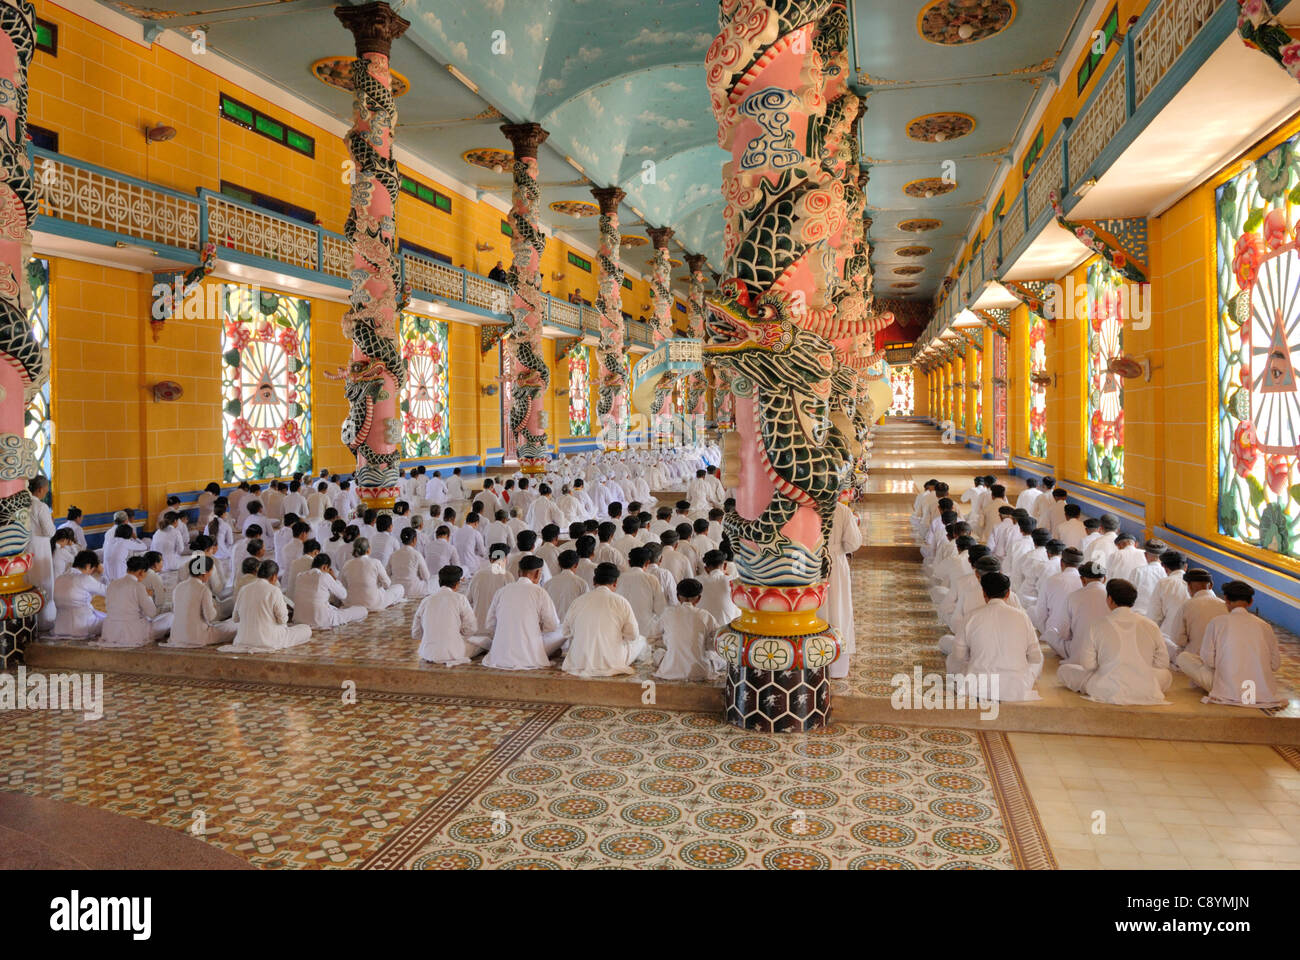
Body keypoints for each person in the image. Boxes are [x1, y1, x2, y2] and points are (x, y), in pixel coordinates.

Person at [1057, 579, 1171, 705]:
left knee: (1064, 670)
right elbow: (1162, 663)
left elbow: (1088, 665)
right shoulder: (1151, 625)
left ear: (1109, 599)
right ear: (1133, 601)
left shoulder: (1097, 625)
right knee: (1166, 675)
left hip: (1106, 687)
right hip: (1146, 687)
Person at [1184, 581, 1285, 707]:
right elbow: (1275, 665)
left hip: (1227, 692)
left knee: (1184, 658)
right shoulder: (1265, 626)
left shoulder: (1217, 622)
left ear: (1226, 599)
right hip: (1261, 693)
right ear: (1250, 602)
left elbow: (1208, 660)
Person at [946, 572, 1042, 701]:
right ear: (1008, 594)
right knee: (1038, 662)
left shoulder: (971, 617)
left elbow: (958, 656)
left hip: (977, 686)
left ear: (984, 594)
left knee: (951, 660)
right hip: (1016, 687)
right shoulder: (1022, 617)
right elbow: (1036, 657)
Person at [560, 562, 648, 677]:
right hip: (612, 661)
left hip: (579, 661)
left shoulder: (578, 601)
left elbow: (565, 632)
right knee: (641, 640)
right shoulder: (621, 601)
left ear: (594, 581)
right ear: (615, 583)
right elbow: (632, 635)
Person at [482, 555, 563, 670]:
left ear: (519, 572)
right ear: (537, 574)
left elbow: (489, 625)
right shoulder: (539, 592)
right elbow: (552, 625)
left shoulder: (502, 591)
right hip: (530, 655)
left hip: (500, 654)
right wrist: (537, 628)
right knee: (562, 630)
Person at [221, 560, 313, 652]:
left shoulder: (244, 589)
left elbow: (235, 618)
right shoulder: (274, 590)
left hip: (243, 639)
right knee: (306, 629)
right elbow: (283, 620)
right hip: (269, 640)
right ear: (274, 577)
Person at [821, 493, 863, 680]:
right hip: (836, 563)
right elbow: (853, 542)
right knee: (839, 609)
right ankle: (837, 667)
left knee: (816, 610)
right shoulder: (843, 510)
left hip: (810, 564)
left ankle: (815, 661)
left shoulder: (805, 508)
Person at [648, 577, 722, 681]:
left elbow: (652, 636)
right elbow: (720, 636)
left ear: (678, 597)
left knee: (658, 653)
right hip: (699, 672)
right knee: (716, 656)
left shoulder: (668, 613)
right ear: (699, 598)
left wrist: (666, 641)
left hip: (670, 670)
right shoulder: (705, 615)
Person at [414, 564, 485, 666]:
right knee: (485, 641)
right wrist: (458, 633)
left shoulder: (426, 600)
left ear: (439, 582)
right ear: (457, 583)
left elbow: (416, 633)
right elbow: (471, 628)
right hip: (453, 652)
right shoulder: (460, 598)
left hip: (427, 653)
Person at [162, 554, 237, 648]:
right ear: (205, 573)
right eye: (211, 572)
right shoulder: (203, 589)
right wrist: (213, 608)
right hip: (198, 637)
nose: (210, 575)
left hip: (176, 636)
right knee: (234, 625)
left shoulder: (179, 587)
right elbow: (210, 617)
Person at [98, 555, 172, 647]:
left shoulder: (112, 584)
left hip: (110, 632)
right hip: (134, 633)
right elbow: (152, 613)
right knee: (170, 617)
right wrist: (148, 596)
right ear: (141, 572)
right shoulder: (138, 586)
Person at [1047, 560, 1109, 661]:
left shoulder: (1073, 597)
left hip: (1081, 653)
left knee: (1050, 634)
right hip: (1106, 652)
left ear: (1082, 580)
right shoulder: (1112, 598)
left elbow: (1063, 633)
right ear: (1104, 579)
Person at [293, 554, 367, 629]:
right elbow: (343, 594)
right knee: (362, 610)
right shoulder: (324, 576)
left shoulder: (299, 576)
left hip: (299, 619)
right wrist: (334, 577)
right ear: (325, 567)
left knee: (335, 608)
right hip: (321, 620)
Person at [49, 550, 106, 639]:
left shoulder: (59, 578)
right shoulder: (84, 578)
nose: (91, 573)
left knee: (99, 613)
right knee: (113, 621)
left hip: (60, 627)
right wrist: (103, 573)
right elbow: (109, 591)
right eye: (93, 570)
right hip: (83, 626)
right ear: (88, 566)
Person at [342, 537, 405, 612]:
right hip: (374, 604)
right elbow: (387, 584)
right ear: (368, 550)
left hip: (353, 604)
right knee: (399, 588)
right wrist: (378, 585)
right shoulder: (375, 562)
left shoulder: (347, 564)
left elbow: (343, 586)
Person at [616, 546, 665, 637]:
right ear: (647, 563)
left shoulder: (619, 579)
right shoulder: (651, 579)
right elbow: (661, 610)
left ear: (629, 562)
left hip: (624, 631)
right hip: (647, 631)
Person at [467, 544, 513, 634]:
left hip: (477, 629)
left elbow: (468, 600)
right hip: (497, 631)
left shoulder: (477, 575)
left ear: (490, 559)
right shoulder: (507, 576)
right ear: (506, 559)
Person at [1144, 550, 1189, 630]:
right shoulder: (1195, 584)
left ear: (1165, 568)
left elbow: (1154, 615)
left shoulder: (1164, 583)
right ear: (1185, 567)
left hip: (1169, 634)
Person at [698, 549, 740, 627]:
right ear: (724, 565)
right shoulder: (731, 580)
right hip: (726, 627)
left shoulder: (697, 581)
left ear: (706, 568)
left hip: (703, 627)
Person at [544, 549, 587, 621]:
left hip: (553, 626)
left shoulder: (548, 583)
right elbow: (584, 608)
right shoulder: (581, 583)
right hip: (572, 625)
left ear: (559, 564)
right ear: (576, 565)